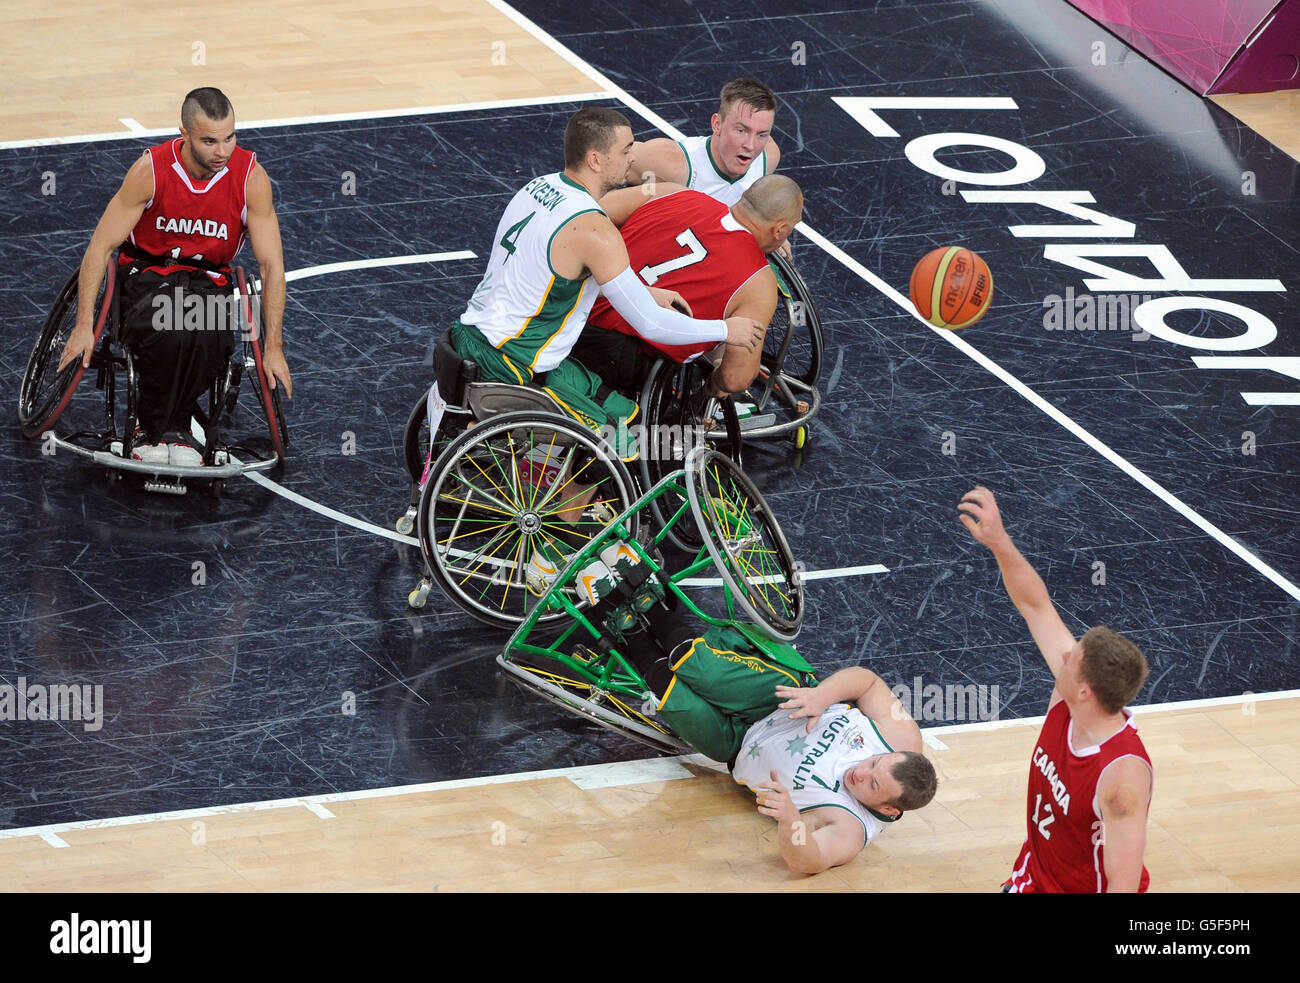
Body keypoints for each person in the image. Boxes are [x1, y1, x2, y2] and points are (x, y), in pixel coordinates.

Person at [444, 106, 764, 591]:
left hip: (471, 332)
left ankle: (547, 484)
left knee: (623, 411)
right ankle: (553, 546)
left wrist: (639, 288)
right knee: (622, 444)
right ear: (596, 160)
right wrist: (725, 331)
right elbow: (653, 324)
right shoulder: (595, 229)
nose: (633, 157)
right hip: (514, 363)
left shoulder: (539, 187)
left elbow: (561, 270)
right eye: (625, 150)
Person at [578, 550, 937, 874]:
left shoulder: (851, 829)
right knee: (697, 666)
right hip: (776, 700)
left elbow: (806, 861)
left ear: (889, 810)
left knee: (671, 695)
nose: (863, 772)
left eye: (873, 784)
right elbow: (868, 683)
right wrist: (823, 695)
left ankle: (622, 625)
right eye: (874, 763)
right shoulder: (904, 739)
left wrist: (791, 819)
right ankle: (647, 596)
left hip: (734, 745)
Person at [59, 87, 290, 466]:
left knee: (210, 339)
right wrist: (85, 324)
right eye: (210, 141)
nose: (223, 151)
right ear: (184, 134)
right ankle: (154, 427)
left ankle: (175, 425)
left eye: (230, 137)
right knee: (170, 328)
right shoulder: (151, 170)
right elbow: (99, 248)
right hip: (147, 272)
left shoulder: (251, 178)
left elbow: (272, 266)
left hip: (208, 280)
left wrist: (274, 347)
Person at [957, 485, 1153, 893]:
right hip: (1030, 878)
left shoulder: (1121, 778)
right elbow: (1036, 606)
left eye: (1072, 659)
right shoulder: (1071, 699)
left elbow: (1123, 882)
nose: (1063, 656)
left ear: (1086, 691)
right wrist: (999, 541)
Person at [571, 175, 803, 399]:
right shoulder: (760, 283)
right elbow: (735, 378)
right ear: (780, 230)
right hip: (619, 360)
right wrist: (711, 389)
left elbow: (590, 212)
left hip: (572, 311)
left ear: (743, 195)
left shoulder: (671, 191)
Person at [628, 78, 781, 208]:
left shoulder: (768, 158)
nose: (751, 146)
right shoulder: (671, 163)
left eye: (761, 135)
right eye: (741, 131)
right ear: (717, 124)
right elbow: (608, 156)